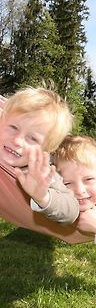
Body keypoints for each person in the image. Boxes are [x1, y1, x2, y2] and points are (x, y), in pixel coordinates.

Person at [0, 86, 79, 224]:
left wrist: (44, 196)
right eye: (13, 127)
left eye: (32, 138)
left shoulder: (40, 174)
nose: (17, 140)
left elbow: (72, 210)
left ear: (46, 149)